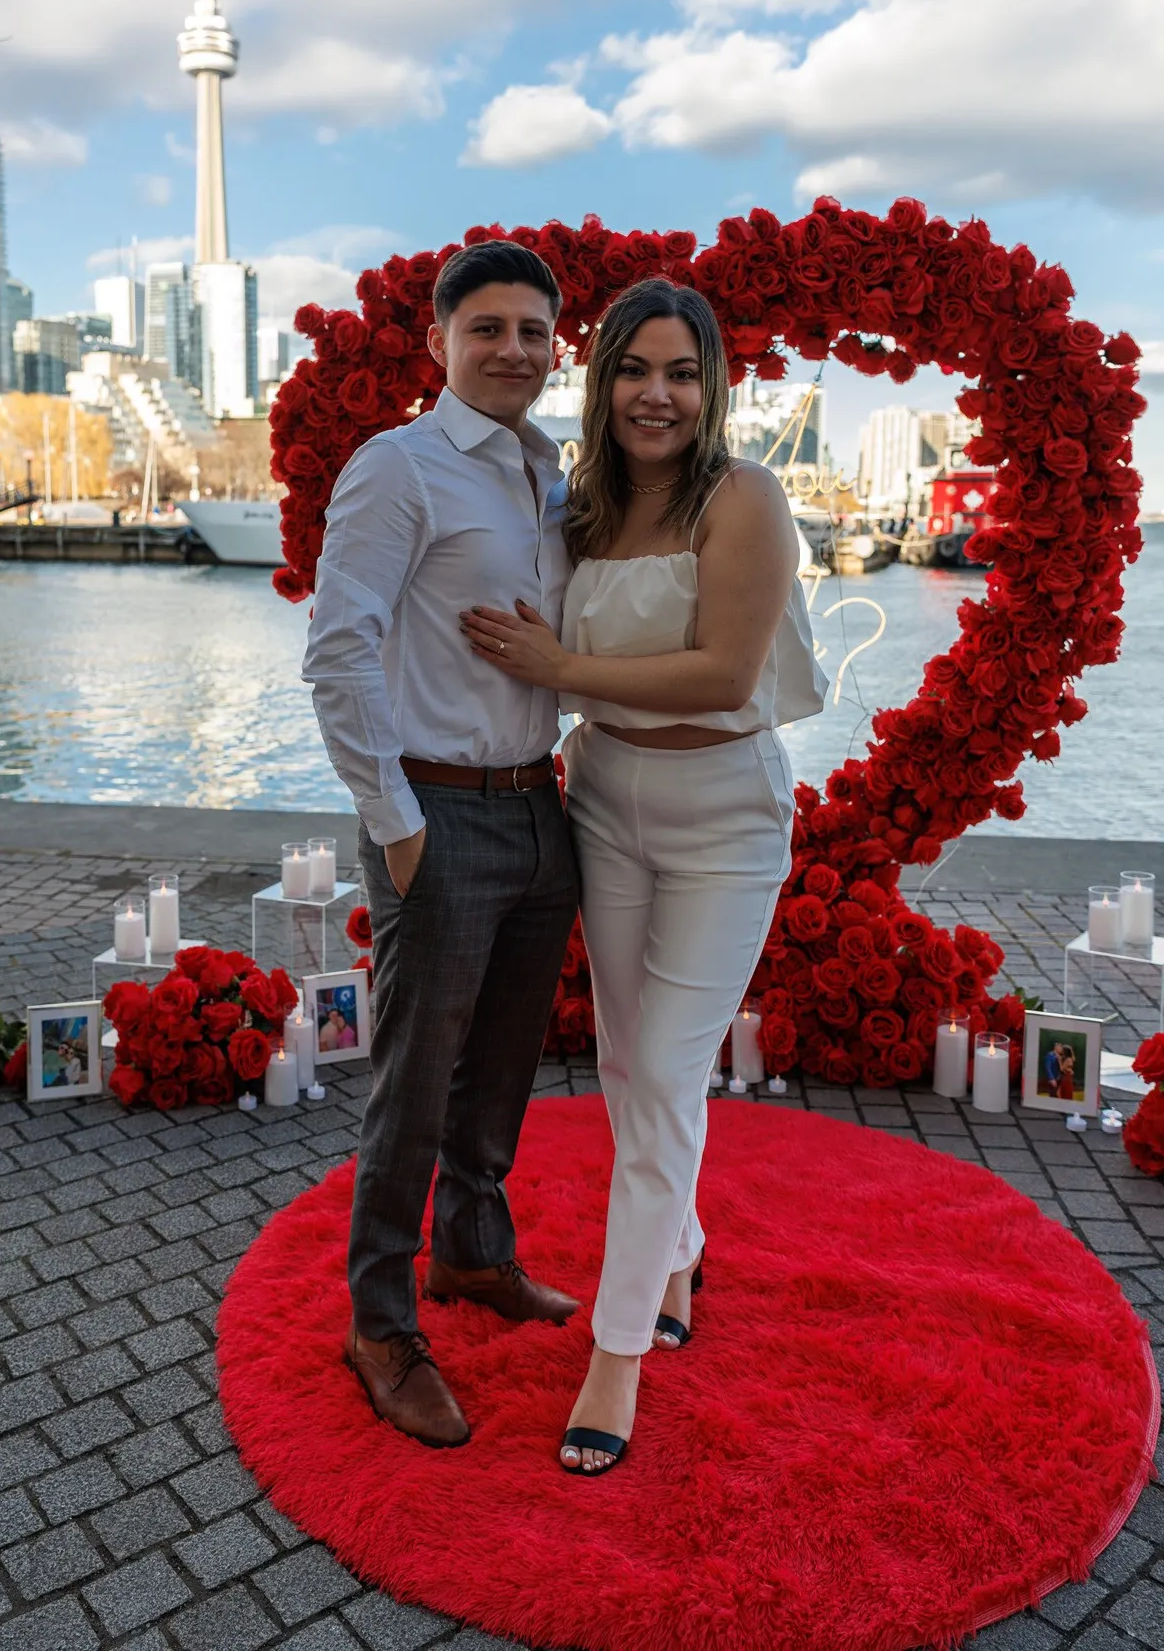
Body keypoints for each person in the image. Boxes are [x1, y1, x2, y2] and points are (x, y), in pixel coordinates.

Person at [461, 276, 827, 1476]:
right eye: (631, 370)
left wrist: (559, 665)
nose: (653, 395)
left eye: (678, 372)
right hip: (605, 798)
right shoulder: (582, 507)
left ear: (708, 386)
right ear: (601, 379)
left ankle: (614, 1355)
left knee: (666, 1071)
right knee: (626, 1065)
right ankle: (677, 1251)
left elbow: (724, 674)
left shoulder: (743, 497)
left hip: (723, 812)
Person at [304, 239, 581, 1450]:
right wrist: (397, 826)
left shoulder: (547, 474)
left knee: (503, 1066)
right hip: (437, 807)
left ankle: (472, 1253)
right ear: (439, 341)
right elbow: (338, 650)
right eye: (487, 328)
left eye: (532, 331)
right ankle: (378, 1324)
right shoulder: (397, 466)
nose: (512, 349)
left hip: (537, 805)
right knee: (413, 1084)